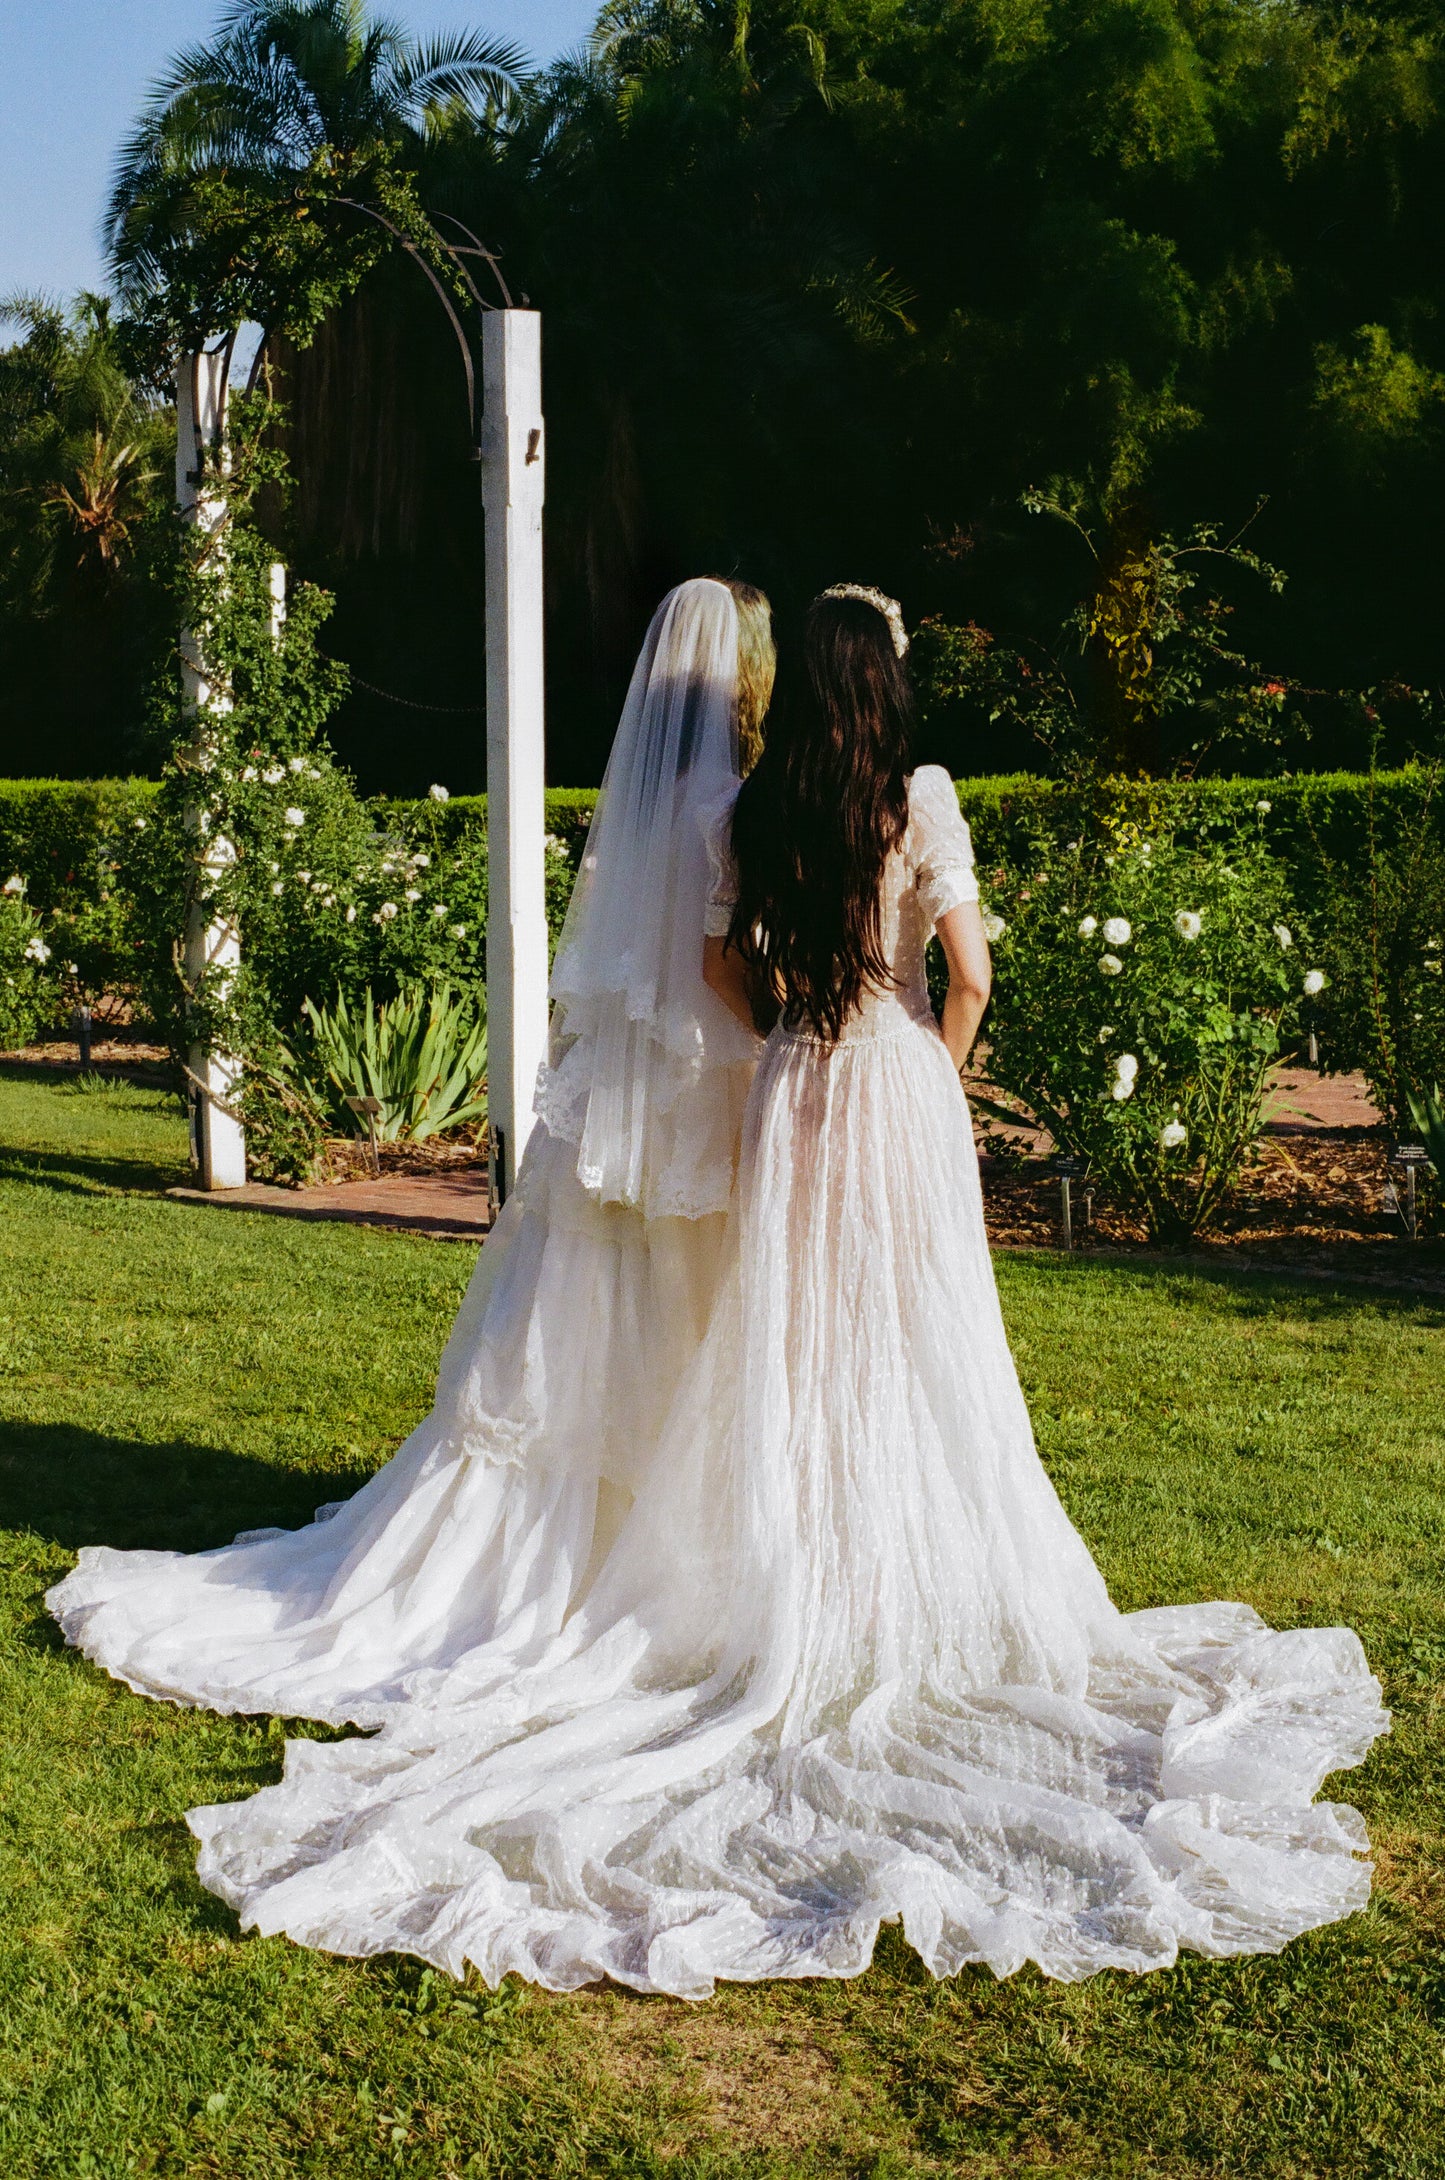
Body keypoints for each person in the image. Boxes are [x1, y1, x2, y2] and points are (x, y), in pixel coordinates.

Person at [53, 584, 1386, 2003]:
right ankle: (888, 1571)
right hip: (894, 1080)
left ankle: (791, 1559)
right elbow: (974, 972)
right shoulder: (918, 798)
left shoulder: (745, 815)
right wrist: (930, 1055)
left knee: (789, 1341)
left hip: (796, 1086)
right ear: (882, 683)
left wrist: (791, 1036)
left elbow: (710, 967)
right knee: (911, 1348)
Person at [47, 574, 773, 1725]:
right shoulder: (733, 798)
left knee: (591, 1299)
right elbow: (717, 962)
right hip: (699, 1078)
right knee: (688, 1300)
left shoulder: (635, 809)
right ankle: (673, 1547)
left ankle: (595, 1531)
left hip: (622, 1093)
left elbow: (612, 965)